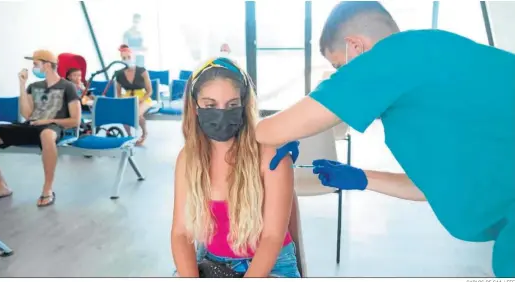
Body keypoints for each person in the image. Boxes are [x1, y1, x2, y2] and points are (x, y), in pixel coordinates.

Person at [255, 1, 515, 278]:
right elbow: (435, 185)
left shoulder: (392, 56)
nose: (343, 75)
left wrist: (285, 132)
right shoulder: (442, 58)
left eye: (340, 66)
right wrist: (363, 178)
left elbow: (267, 131)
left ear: (356, 45)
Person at [171, 57, 300, 278]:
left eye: (231, 105)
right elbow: (180, 233)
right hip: (210, 260)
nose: (221, 113)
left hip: (271, 266)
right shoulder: (188, 159)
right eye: (211, 105)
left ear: (243, 105)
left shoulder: (271, 155)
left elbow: (272, 237)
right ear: (195, 107)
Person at [0, 50, 81, 207]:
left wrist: (48, 120)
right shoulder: (34, 86)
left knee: (47, 134)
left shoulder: (68, 87)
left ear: (47, 65)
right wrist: (22, 84)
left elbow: (75, 120)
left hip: (53, 126)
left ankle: (47, 189)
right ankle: (0, 186)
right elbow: (27, 114)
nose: (33, 67)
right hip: (32, 125)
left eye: (35, 64)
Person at [115, 44, 153, 145]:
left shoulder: (142, 71)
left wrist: (141, 100)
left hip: (143, 98)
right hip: (127, 98)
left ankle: (144, 133)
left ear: (132, 57)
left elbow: (150, 91)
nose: (126, 59)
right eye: (124, 58)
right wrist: (122, 102)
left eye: (128, 57)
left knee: (137, 114)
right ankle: (129, 136)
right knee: (123, 115)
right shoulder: (118, 74)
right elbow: (118, 93)